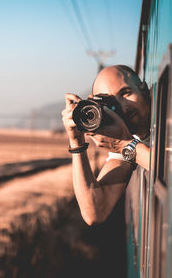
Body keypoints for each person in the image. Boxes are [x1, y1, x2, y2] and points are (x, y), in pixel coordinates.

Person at [61, 65, 151, 226]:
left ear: (144, 90)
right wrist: (76, 141)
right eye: (111, 102)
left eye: (126, 93)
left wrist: (123, 144)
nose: (122, 106)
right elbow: (94, 212)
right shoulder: (129, 140)